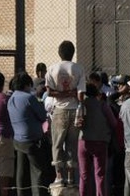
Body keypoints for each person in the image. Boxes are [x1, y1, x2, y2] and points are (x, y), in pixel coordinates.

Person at [45, 40, 86, 186]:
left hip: (59, 111)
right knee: (71, 145)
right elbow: (80, 95)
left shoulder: (52, 69)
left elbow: (49, 92)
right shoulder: (79, 68)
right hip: (74, 110)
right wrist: (71, 93)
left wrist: (62, 93)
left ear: (59, 53)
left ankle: (59, 176)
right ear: (73, 53)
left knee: (57, 143)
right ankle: (70, 177)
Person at [7, 72, 52, 196]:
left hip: (18, 139)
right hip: (32, 139)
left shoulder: (11, 98)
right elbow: (42, 115)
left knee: (21, 171)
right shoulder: (28, 98)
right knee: (38, 171)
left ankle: (21, 193)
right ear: (27, 84)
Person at [78, 81, 117, 196]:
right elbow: (114, 123)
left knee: (84, 175)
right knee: (100, 175)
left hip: (83, 142)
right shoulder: (103, 105)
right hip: (100, 142)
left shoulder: (81, 104)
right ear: (97, 93)